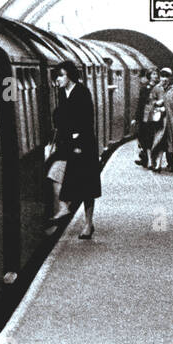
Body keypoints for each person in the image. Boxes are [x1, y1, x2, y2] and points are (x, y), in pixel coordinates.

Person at [50, 59, 101, 239]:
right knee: (54, 173)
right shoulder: (62, 93)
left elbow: (87, 120)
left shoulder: (82, 92)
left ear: (70, 76)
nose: (58, 79)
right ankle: (64, 207)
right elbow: (60, 117)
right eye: (57, 76)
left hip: (84, 145)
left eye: (61, 75)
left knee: (88, 187)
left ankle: (88, 224)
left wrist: (77, 139)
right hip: (68, 145)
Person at [149, 67, 173, 171]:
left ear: (171, 77)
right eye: (163, 76)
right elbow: (150, 102)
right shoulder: (156, 88)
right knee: (159, 141)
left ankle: (171, 163)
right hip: (160, 119)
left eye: (167, 76)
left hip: (171, 119)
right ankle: (157, 164)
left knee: (171, 141)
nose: (165, 78)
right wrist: (156, 103)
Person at [134, 70, 153, 167]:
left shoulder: (160, 87)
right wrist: (136, 117)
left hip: (156, 116)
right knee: (144, 137)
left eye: (156, 74)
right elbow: (140, 104)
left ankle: (150, 160)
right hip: (146, 117)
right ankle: (146, 159)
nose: (155, 76)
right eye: (153, 74)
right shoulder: (144, 88)